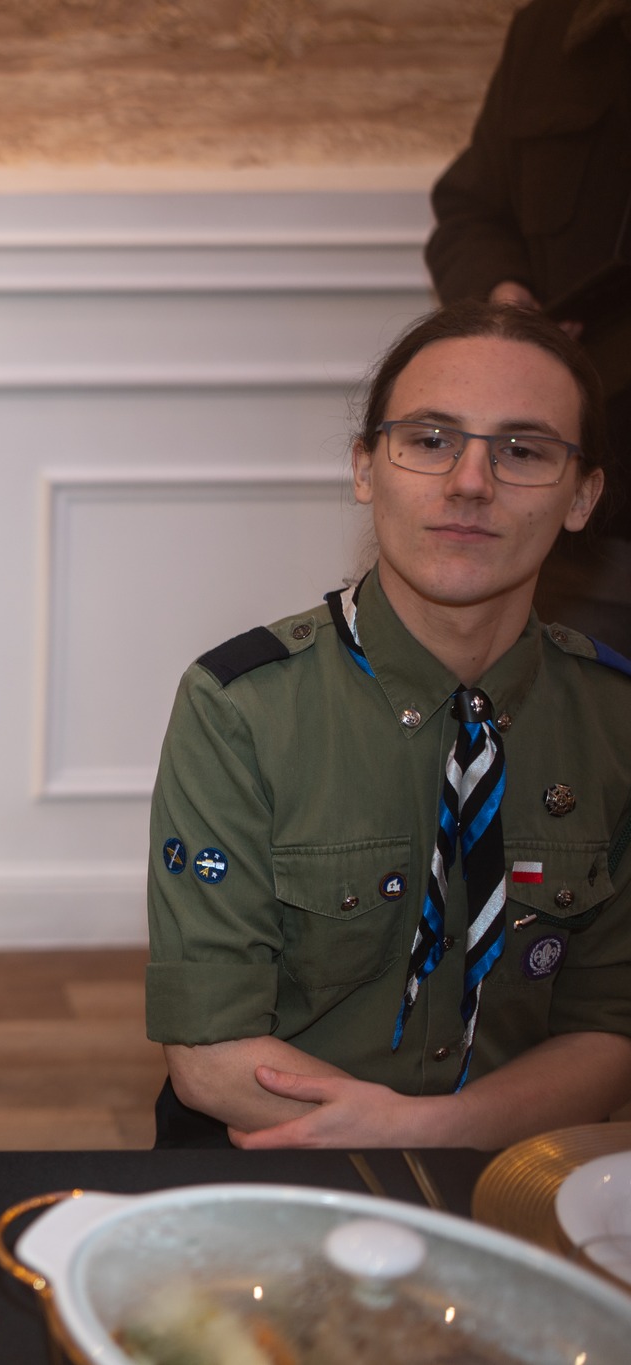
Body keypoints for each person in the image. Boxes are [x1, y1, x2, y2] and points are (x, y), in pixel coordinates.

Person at [147, 301, 631, 1149]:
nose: (470, 482)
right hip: (277, 1161)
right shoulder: (242, 708)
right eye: (431, 439)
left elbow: (610, 1032)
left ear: (582, 496)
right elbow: (210, 1057)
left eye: (522, 450)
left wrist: (434, 1129)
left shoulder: (613, 719)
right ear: (366, 467)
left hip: (516, 1164)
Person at [426, 0, 631, 650]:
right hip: (578, 531)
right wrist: (503, 294)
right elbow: (471, 211)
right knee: (557, 714)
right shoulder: (550, 30)